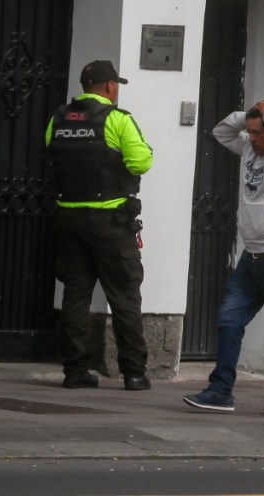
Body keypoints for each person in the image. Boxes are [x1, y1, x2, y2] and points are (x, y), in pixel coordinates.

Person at [183, 99, 264, 417]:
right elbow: (221, 130)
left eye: (258, 132)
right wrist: (252, 114)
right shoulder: (249, 148)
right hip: (251, 257)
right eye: (249, 132)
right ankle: (220, 391)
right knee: (229, 321)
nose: (250, 138)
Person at [45, 59, 153, 390]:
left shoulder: (59, 119)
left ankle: (75, 371)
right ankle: (133, 373)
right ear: (109, 86)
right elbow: (142, 161)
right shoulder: (117, 120)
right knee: (124, 295)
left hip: (69, 218)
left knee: (76, 295)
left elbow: (51, 153)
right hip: (109, 221)